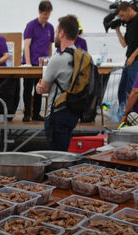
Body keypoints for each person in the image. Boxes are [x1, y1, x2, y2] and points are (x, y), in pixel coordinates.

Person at [36, 14, 84, 151]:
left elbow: (43, 88)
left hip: (57, 112)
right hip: (74, 112)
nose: (55, 35)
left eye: (57, 32)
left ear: (62, 33)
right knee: (65, 152)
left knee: (57, 156)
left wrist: (39, 86)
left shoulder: (58, 59)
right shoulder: (81, 56)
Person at [115, 1, 138, 111]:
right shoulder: (129, 23)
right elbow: (124, 44)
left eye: (122, 15)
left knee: (132, 88)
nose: (121, 18)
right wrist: (117, 30)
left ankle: (131, 114)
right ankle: (123, 111)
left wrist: (133, 56)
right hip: (129, 60)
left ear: (129, 10)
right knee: (122, 88)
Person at [22, 0, 54, 122]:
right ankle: (27, 113)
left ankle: (36, 114)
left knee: (40, 87)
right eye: (44, 14)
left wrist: (50, 62)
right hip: (31, 63)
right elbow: (27, 46)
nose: (46, 16)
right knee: (27, 88)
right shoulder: (31, 25)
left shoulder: (50, 27)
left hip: (43, 64)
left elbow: (50, 46)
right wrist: (29, 63)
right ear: (40, 12)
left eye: (48, 14)